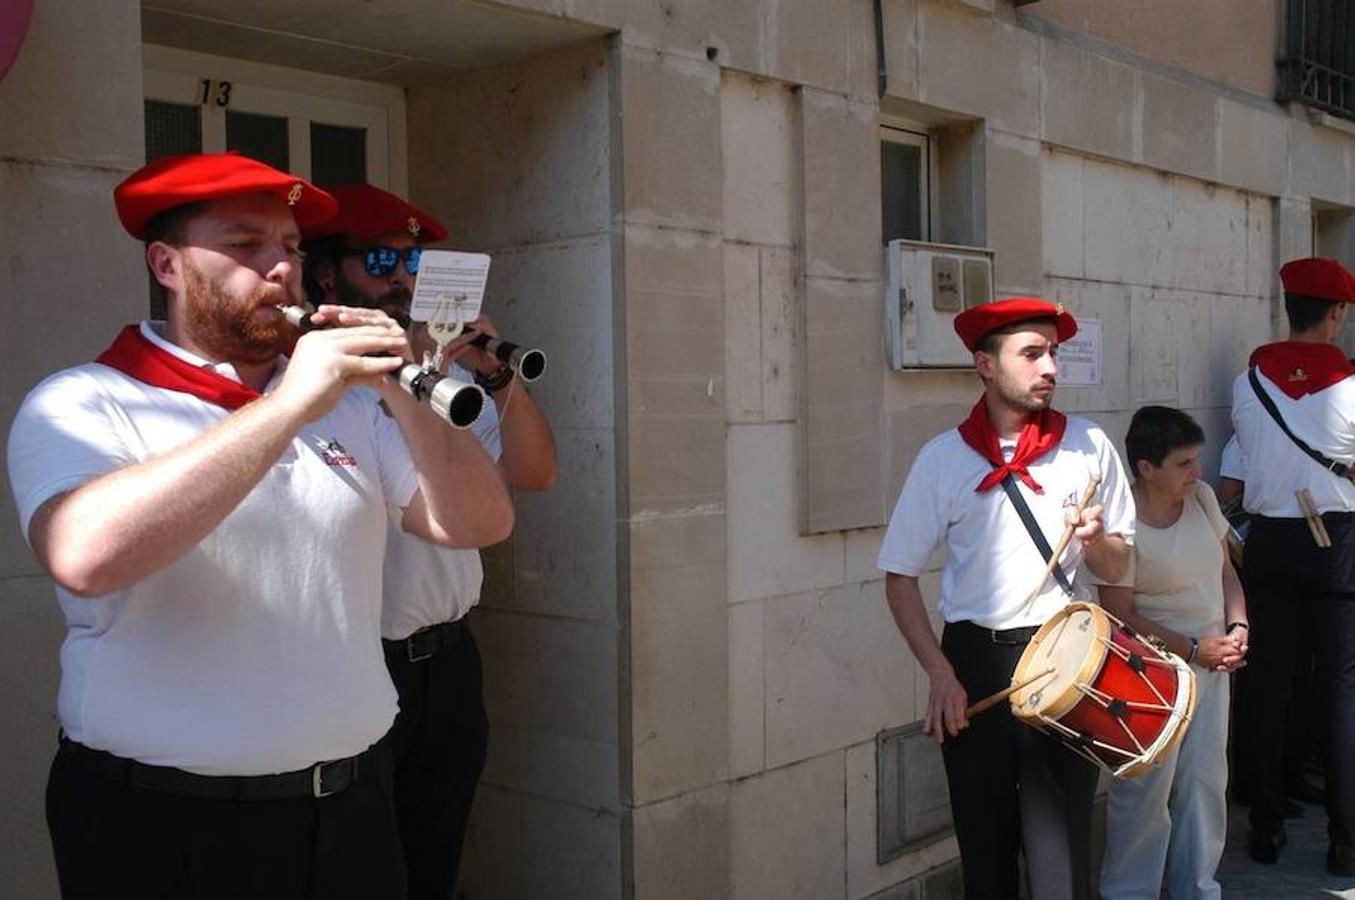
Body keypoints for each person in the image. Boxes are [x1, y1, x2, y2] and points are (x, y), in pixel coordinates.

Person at [5, 153, 514, 900]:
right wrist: (282, 411)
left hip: (350, 810)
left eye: (292, 247)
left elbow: (478, 521)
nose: (281, 268)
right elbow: (82, 556)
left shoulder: (345, 404)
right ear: (167, 264)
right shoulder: (83, 400)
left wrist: (402, 387)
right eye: (246, 246)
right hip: (164, 821)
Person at [302, 184, 557, 899]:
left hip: (445, 658)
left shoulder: (444, 378)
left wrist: (497, 375)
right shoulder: (315, 384)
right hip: (355, 659)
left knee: (435, 853)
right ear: (328, 274)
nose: (403, 278)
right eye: (382, 259)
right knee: (360, 866)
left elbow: (533, 474)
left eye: (414, 261)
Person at [877, 298, 1135, 900]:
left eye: (1053, 353)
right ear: (985, 366)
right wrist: (940, 674)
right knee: (984, 852)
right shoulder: (942, 458)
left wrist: (1098, 545)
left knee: (1059, 858)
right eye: (1032, 353)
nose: (1050, 367)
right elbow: (898, 576)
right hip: (973, 662)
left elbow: (1121, 570)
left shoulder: (1090, 445)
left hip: (1063, 662)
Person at [1230, 256, 1355, 874]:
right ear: (1337, 313)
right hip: (1338, 542)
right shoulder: (1352, 386)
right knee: (1342, 689)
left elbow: (1250, 458)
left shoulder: (1248, 382)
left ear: (1287, 308)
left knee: (1268, 687)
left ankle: (1265, 825)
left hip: (1272, 540)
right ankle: (1346, 838)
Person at [1098, 406, 1248, 900]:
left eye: (1196, 461)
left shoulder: (1202, 497)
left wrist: (1238, 624)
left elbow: (1226, 571)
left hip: (1212, 660)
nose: (1197, 472)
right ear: (1146, 467)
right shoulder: (1123, 521)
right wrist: (1190, 648)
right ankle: (1129, 892)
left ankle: (1198, 889)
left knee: (1206, 782)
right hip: (1147, 673)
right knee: (1144, 794)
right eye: (1184, 463)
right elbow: (1116, 612)